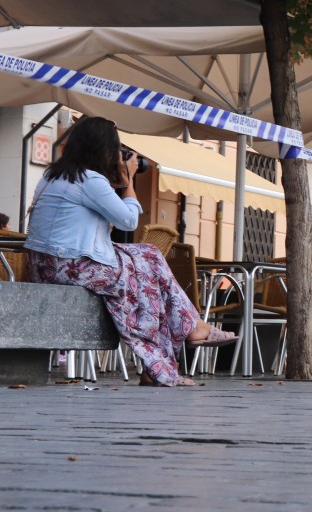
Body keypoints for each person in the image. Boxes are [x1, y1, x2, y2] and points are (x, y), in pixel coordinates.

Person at [23, 116, 236, 387]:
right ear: (104, 149)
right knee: (146, 281)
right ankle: (180, 340)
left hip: (42, 265)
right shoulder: (90, 181)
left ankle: (179, 342)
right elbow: (129, 221)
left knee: (148, 258)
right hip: (71, 266)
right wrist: (129, 182)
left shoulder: (53, 175)